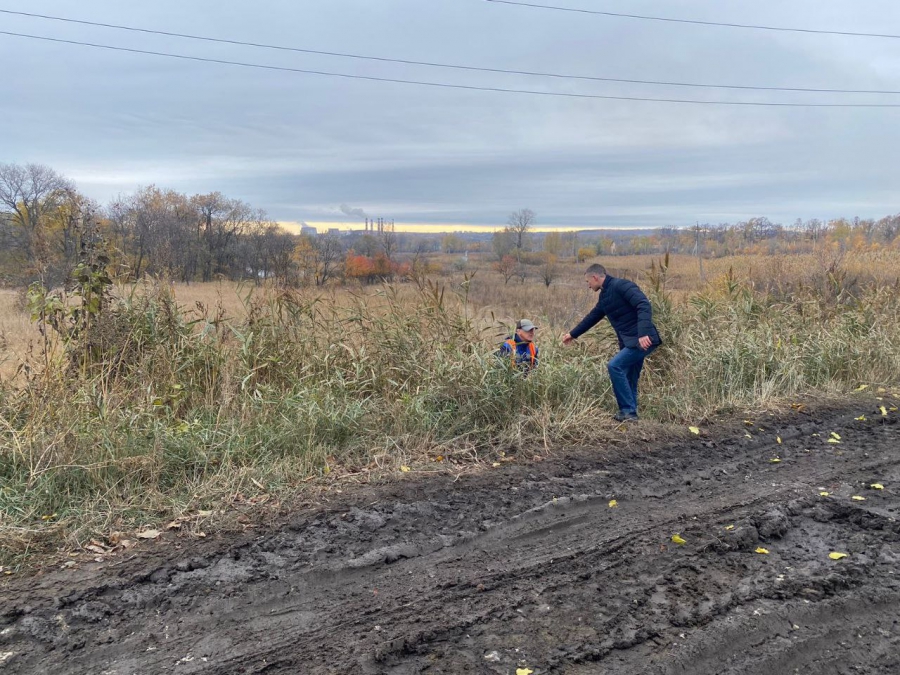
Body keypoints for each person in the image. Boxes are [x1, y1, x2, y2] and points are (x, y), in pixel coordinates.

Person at [562, 264, 661, 421]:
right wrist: (573, 334)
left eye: (588, 282)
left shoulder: (622, 285)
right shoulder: (605, 296)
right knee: (630, 376)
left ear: (595, 277)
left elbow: (643, 304)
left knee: (615, 366)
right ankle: (631, 413)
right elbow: (593, 317)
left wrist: (643, 333)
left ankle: (627, 411)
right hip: (631, 342)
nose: (588, 286)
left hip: (643, 340)